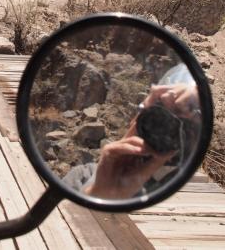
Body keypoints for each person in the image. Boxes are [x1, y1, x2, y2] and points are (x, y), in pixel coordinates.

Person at [64, 63, 200, 199]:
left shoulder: (197, 196)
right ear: (136, 118)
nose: (168, 132)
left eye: (188, 126)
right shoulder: (82, 177)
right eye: (157, 119)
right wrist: (99, 193)